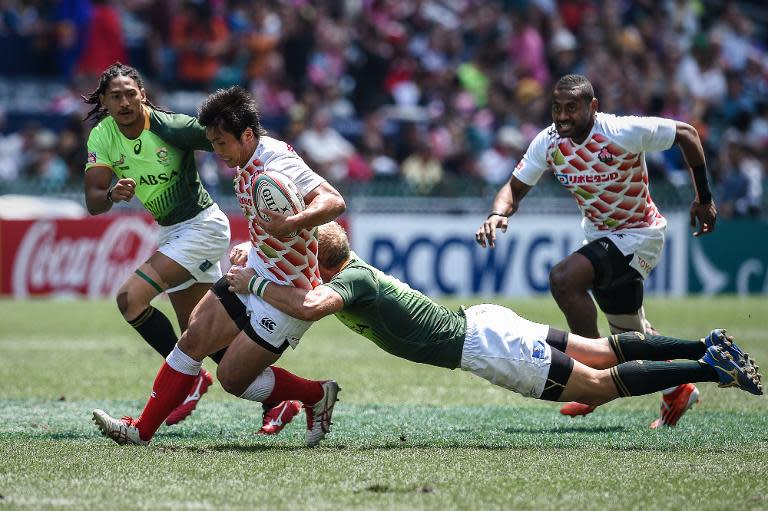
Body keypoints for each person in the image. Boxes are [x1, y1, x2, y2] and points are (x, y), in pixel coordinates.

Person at [223, 222, 761, 420]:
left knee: (596, 386)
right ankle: (704, 342)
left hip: (482, 346)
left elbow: (308, 305)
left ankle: (712, 366)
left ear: (320, 263)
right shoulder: (349, 270)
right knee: (600, 352)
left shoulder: (348, 282)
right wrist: (254, 259)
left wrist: (253, 283)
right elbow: (300, 286)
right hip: (483, 322)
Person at [91, 86, 347, 447]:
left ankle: (316, 394)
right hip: (253, 272)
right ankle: (140, 430)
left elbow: (334, 201)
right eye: (211, 141)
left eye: (222, 142)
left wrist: (292, 224)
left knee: (232, 379)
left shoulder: (277, 162)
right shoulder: (243, 161)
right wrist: (250, 246)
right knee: (193, 338)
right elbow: (266, 224)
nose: (217, 151)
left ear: (246, 135)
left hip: (288, 291)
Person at [475, 74, 719, 428]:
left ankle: (590, 380)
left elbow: (688, 135)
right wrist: (497, 213)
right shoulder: (548, 142)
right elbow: (513, 188)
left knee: (564, 278)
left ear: (592, 107)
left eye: (571, 107)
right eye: (556, 107)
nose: (562, 116)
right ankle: (677, 389)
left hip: (639, 235)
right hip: (602, 240)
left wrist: (704, 198)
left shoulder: (621, 131)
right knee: (629, 336)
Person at [83, 62, 231, 426]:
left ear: (143, 95)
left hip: (203, 226)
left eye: (131, 94)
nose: (124, 102)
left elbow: (223, 139)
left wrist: (260, 170)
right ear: (104, 100)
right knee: (200, 333)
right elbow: (92, 201)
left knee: (129, 299)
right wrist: (112, 194)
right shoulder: (102, 136)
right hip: (173, 232)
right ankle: (287, 397)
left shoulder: (170, 126)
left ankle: (190, 381)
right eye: (115, 96)